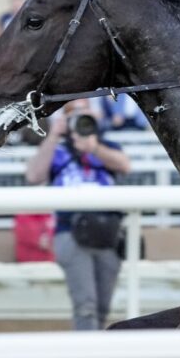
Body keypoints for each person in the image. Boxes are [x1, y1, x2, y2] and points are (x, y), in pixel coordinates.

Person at [25, 110, 130, 330]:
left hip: (108, 232)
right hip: (71, 231)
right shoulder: (58, 150)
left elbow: (124, 166)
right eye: (75, 115)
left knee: (102, 307)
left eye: (86, 114)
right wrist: (53, 135)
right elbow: (34, 176)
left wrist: (94, 148)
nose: (82, 120)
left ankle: (94, 345)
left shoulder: (107, 146)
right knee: (86, 305)